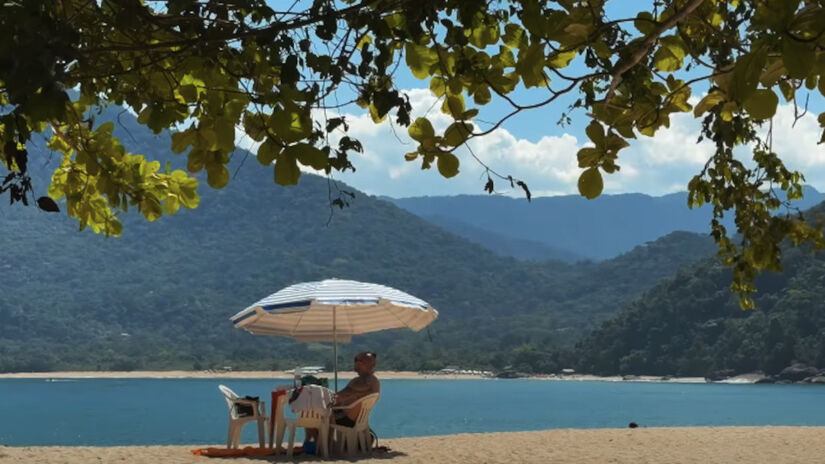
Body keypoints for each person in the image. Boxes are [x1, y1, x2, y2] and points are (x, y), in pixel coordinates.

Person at [331, 351, 380, 427]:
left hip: (347, 420)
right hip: (360, 420)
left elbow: (338, 397)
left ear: (368, 364)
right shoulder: (374, 381)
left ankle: (313, 438)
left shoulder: (360, 382)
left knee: (316, 416)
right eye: (356, 360)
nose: (356, 362)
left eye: (358, 360)